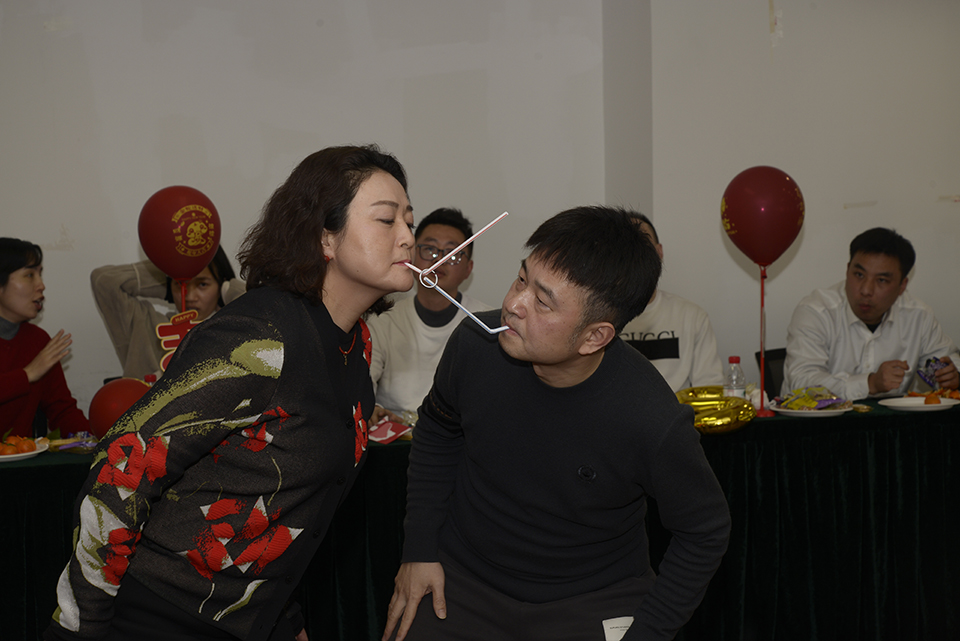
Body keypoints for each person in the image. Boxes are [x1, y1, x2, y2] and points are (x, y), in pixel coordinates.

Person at [45, 144, 417, 641]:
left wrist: (281, 615)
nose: (408, 237)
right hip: (160, 614)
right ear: (324, 237)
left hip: (247, 619)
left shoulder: (356, 345)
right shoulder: (261, 337)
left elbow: (290, 506)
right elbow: (122, 466)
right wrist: (82, 625)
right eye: (387, 220)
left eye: (409, 220)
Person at [383, 206, 731, 641]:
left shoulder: (649, 416)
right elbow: (437, 431)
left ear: (594, 336)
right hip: (464, 578)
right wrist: (418, 550)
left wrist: (649, 631)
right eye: (521, 279)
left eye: (542, 302)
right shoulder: (476, 344)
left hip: (592, 596)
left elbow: (704, 531)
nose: (513, 305)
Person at [782, 227, 960, 399]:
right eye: (859, 275)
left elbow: (948, 360)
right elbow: (801, 382)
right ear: (847, 270)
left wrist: (952, 376)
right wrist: (869, 384)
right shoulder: (816, 312)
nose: (866, 290)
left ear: (902, 286)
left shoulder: (918, 316)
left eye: (881, 280)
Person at [367, 207, 492, 426]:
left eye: (453, 253)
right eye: (430, 249)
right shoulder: (383, 318)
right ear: (412, 256)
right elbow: (364, 383)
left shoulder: (485, 323)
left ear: (468, 269)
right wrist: (374, 409)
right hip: (394, 435)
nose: (440, 260)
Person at [90, 245, 245, 380]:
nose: (190, 297)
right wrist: (170, 272)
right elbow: (104, 281)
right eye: (180, 285)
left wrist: (230, 290)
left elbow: (259, 305)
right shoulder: (148, 327)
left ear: (220, 285)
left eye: (202, 284)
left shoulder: (234, 327)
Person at [618, 213, 723, 392]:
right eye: (627, 247)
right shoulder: (599, 317)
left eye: (644, 245)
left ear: (659, 252)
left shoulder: (692, 317)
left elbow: (710, 387)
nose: (636, 256)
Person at [0, 238, 89, 439]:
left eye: (40, 274)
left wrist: (100, 439)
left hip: (20, 458)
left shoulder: (37, 340)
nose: (41, 285)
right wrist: (27, 375)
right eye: (29, 275)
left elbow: (62, 411)